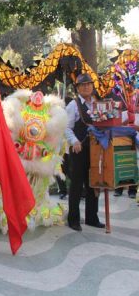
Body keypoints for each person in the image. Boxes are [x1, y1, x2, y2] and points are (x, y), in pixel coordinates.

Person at [65, 73, 105, 231]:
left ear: (93, 86)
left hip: (95, 150)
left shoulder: (98, 103)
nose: (86, 87)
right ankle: (73, 219)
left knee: (93, 184)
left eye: (88, 84)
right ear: (78, 88)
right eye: (83, 85)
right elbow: (66, 127)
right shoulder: (73, 105)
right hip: (78, 150)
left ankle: (92, 218)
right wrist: (74, 141)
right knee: (76, 185)